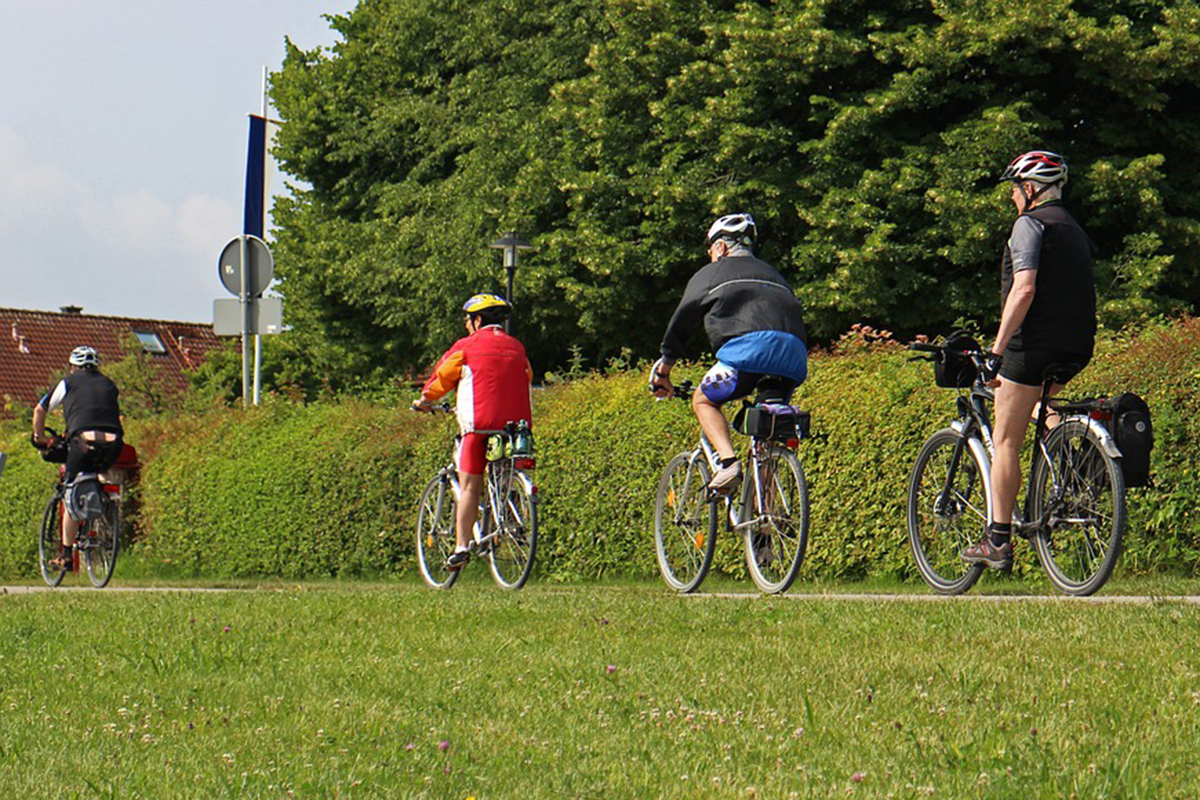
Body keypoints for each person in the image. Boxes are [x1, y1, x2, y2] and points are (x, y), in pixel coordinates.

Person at [962, 150, 1097, 568]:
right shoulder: (1075, 229)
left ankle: (998, 539)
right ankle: (1069, 455)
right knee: (1039, 403)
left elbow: (1024, 289)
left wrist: (997, 351)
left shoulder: (1028, 224)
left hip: (1031, 345)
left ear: (1031, 189)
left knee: (1005, 440)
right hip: (1077, 344)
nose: (1013, 199)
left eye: (1015, 190)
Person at [649, 213, 809, 491]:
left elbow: (682, 321)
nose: (711, 255)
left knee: (703, 401)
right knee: (768, 433)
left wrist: (664, 368)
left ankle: (729, 463)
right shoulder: (774, 274)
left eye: (711, 249)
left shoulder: (712, 273)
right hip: (793, 356)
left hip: (749, 352)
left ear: (720, 247)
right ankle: (765, 523)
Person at [412, 294, 534, 571]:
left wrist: (424, 401)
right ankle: (510, 512)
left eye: (469, 320)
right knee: (503, 472)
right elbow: (526, 376)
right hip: (516, 427)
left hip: (478, 425)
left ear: (477, 320)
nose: (468, 325)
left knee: (469, 485)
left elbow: (441, 379)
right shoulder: (517, 347)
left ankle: (461, 547)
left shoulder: (465, 347)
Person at [31, 346, 124, 571]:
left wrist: (39, 437)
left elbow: (39, 411)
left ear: (73, 366)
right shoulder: (109, 384)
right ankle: (103, 503)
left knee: (71, 492)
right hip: (114, 444)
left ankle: (65, 555)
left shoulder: (67, 382)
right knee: (98, 472)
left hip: (81, 443)